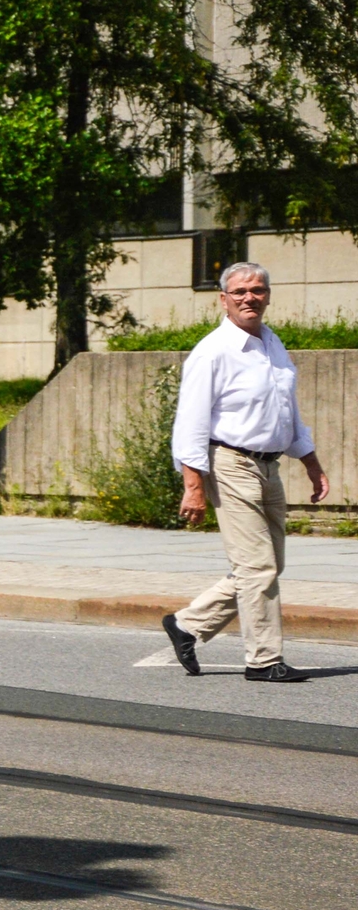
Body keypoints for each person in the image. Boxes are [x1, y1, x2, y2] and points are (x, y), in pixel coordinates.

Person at [163, 260, 330, 682]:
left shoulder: (273, 344)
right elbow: (191, 424)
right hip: (229, 463)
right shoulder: (212, 352)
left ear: (268, 296)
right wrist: (193, 486)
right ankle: (264, 660)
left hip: (268, 466)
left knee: (267, 565)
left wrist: (311, 463)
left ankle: (188, 625)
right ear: (223, 300)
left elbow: (286, 413)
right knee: (257, 569)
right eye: (239, 292)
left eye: (256, 290)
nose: (248, 298)